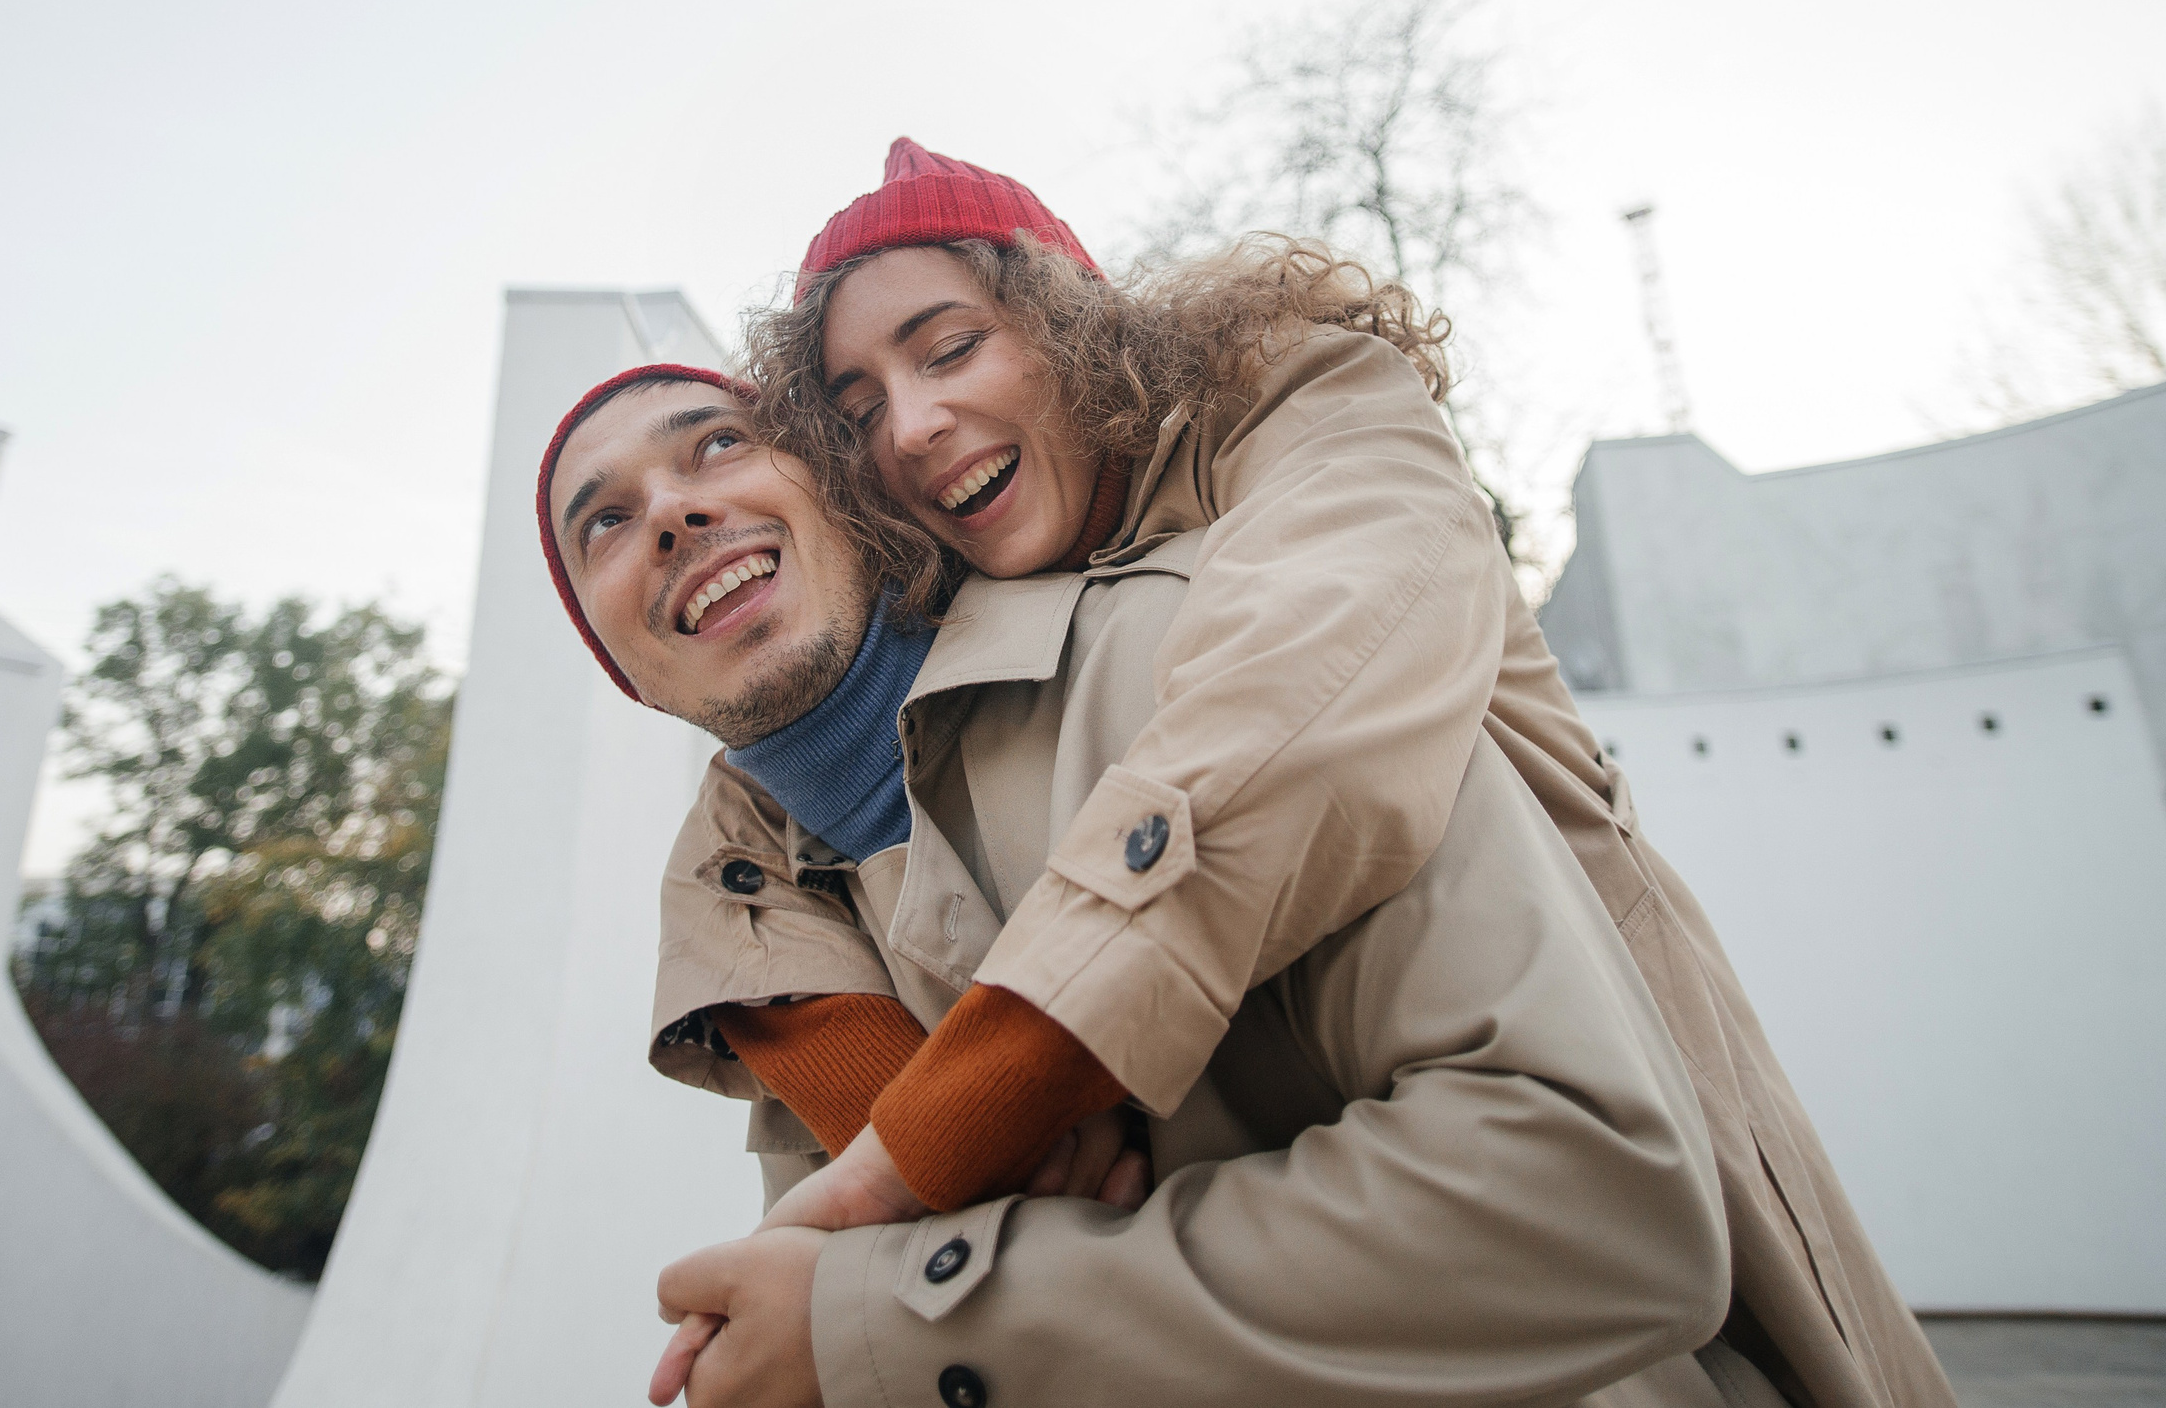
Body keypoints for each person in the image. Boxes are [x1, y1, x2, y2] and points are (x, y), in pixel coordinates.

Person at [609, 140, 1954, 1408]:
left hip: (1653, 1198)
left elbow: (1291, 701)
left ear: (1069, 320)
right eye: (857, 412)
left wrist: (957, 1126)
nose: (909, 424)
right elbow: (800, 766)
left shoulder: (1302, 420)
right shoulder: (972, 664)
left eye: (950, 346)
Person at [537, 365, 1769, 1408]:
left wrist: (898, 1320)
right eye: (605, 520)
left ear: (839, 488)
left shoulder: (1202, 647)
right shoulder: (772, 966)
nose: (673, 512)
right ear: (616, 664)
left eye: (716, 445)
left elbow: (1604, 1209)